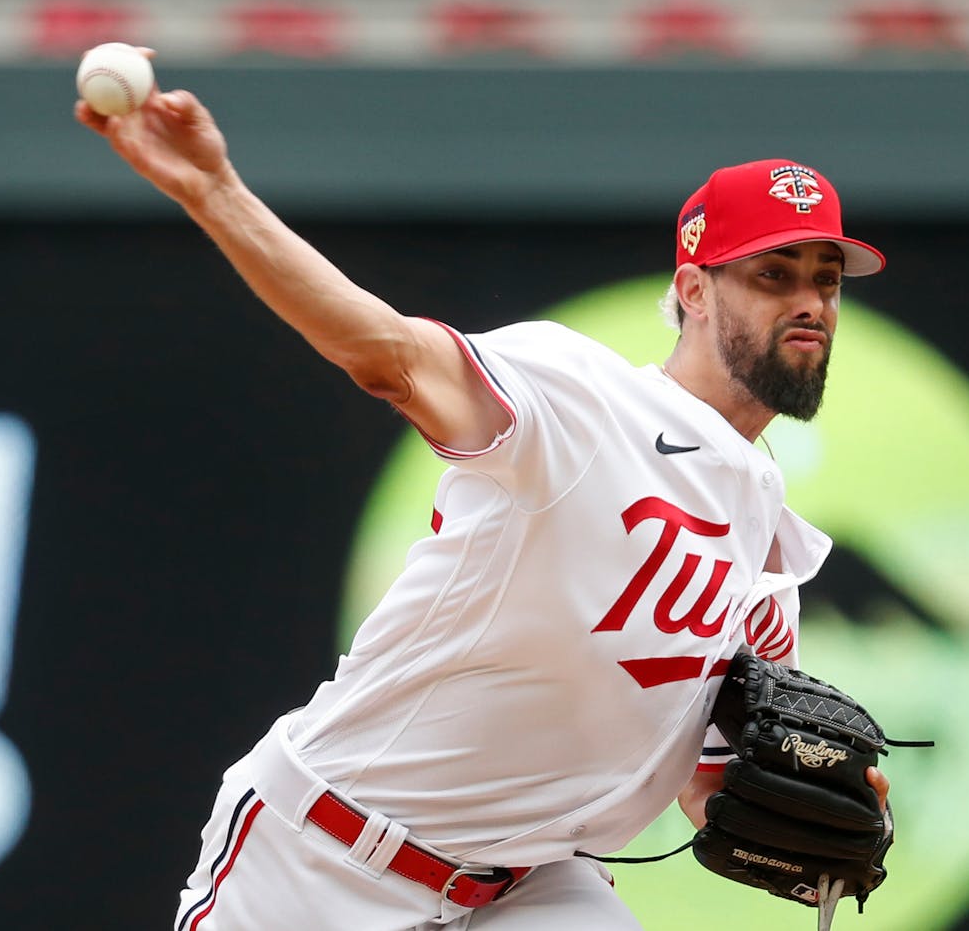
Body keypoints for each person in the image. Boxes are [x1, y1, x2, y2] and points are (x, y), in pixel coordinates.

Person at [76, 63, 892, 931]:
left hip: (527, 886)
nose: (810, 302)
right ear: (693, 289)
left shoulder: (765, 540)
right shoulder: (580, 401)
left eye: (826, 279)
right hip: (327, 857)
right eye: (775, 274)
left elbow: (711, 780)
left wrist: (815, 802)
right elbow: (381, 351)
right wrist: (215, 191)